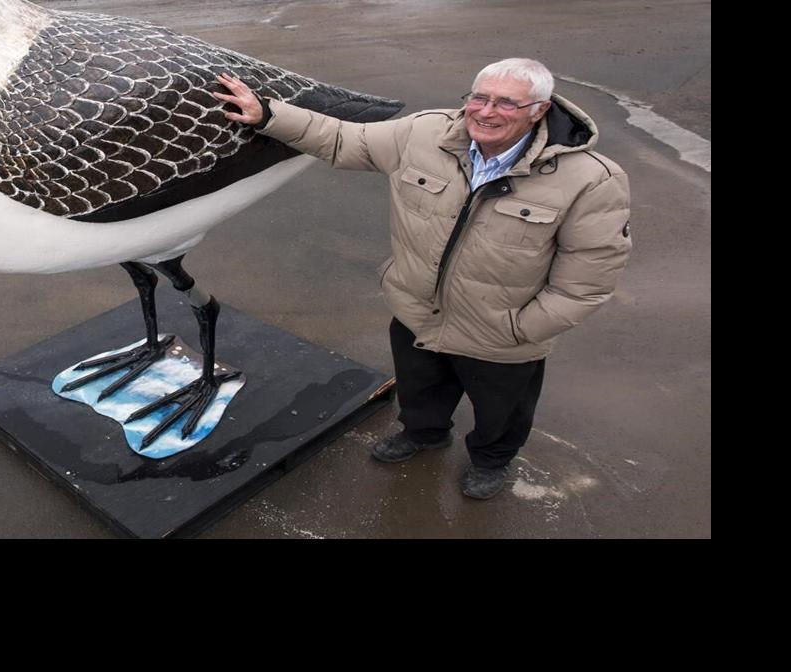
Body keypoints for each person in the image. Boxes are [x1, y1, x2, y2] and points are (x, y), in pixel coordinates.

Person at [213, 58, 632, 499]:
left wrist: (522, 328)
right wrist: (269, 113)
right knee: (419, 388)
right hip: (417, 311)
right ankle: (424, 434)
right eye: (479, 97)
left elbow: (587, 279)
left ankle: (491, 460)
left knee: (501, 412)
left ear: (539, 110)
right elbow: (342, 139)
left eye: (507, 103)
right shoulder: (424, 134)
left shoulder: (591, 180)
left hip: (503, 333)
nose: (486, 112)